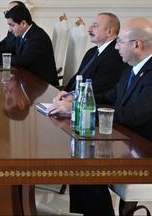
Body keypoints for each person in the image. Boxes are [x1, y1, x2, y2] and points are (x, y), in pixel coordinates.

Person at [50, 18, 152, 216]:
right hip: (127, 141)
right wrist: (76, 98)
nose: (116, 47)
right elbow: (110, 96)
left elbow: (132, 115)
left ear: (137, 45)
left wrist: (79, 109)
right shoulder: (132, 69)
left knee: (87, 165)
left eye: (120, 42)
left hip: (144, 150)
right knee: (81, 156)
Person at [53, 13, 126, 104]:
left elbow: (100, 92)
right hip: (71, 100)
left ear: (109, 31)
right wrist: (63, 95)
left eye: (95, 26)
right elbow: (77, 77)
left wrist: (72, 99)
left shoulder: (115, 55)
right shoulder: (92, 51)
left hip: (87, 106)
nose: (89, 29)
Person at [1, 6, 58, 85]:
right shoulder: (21, 34)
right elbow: (9, 48)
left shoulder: (38, 37)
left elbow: (23, 60)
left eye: (12, 25)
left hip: (42, 85)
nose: (10, 29)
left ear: (23, 23)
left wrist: (0, 60)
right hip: (28, 80)